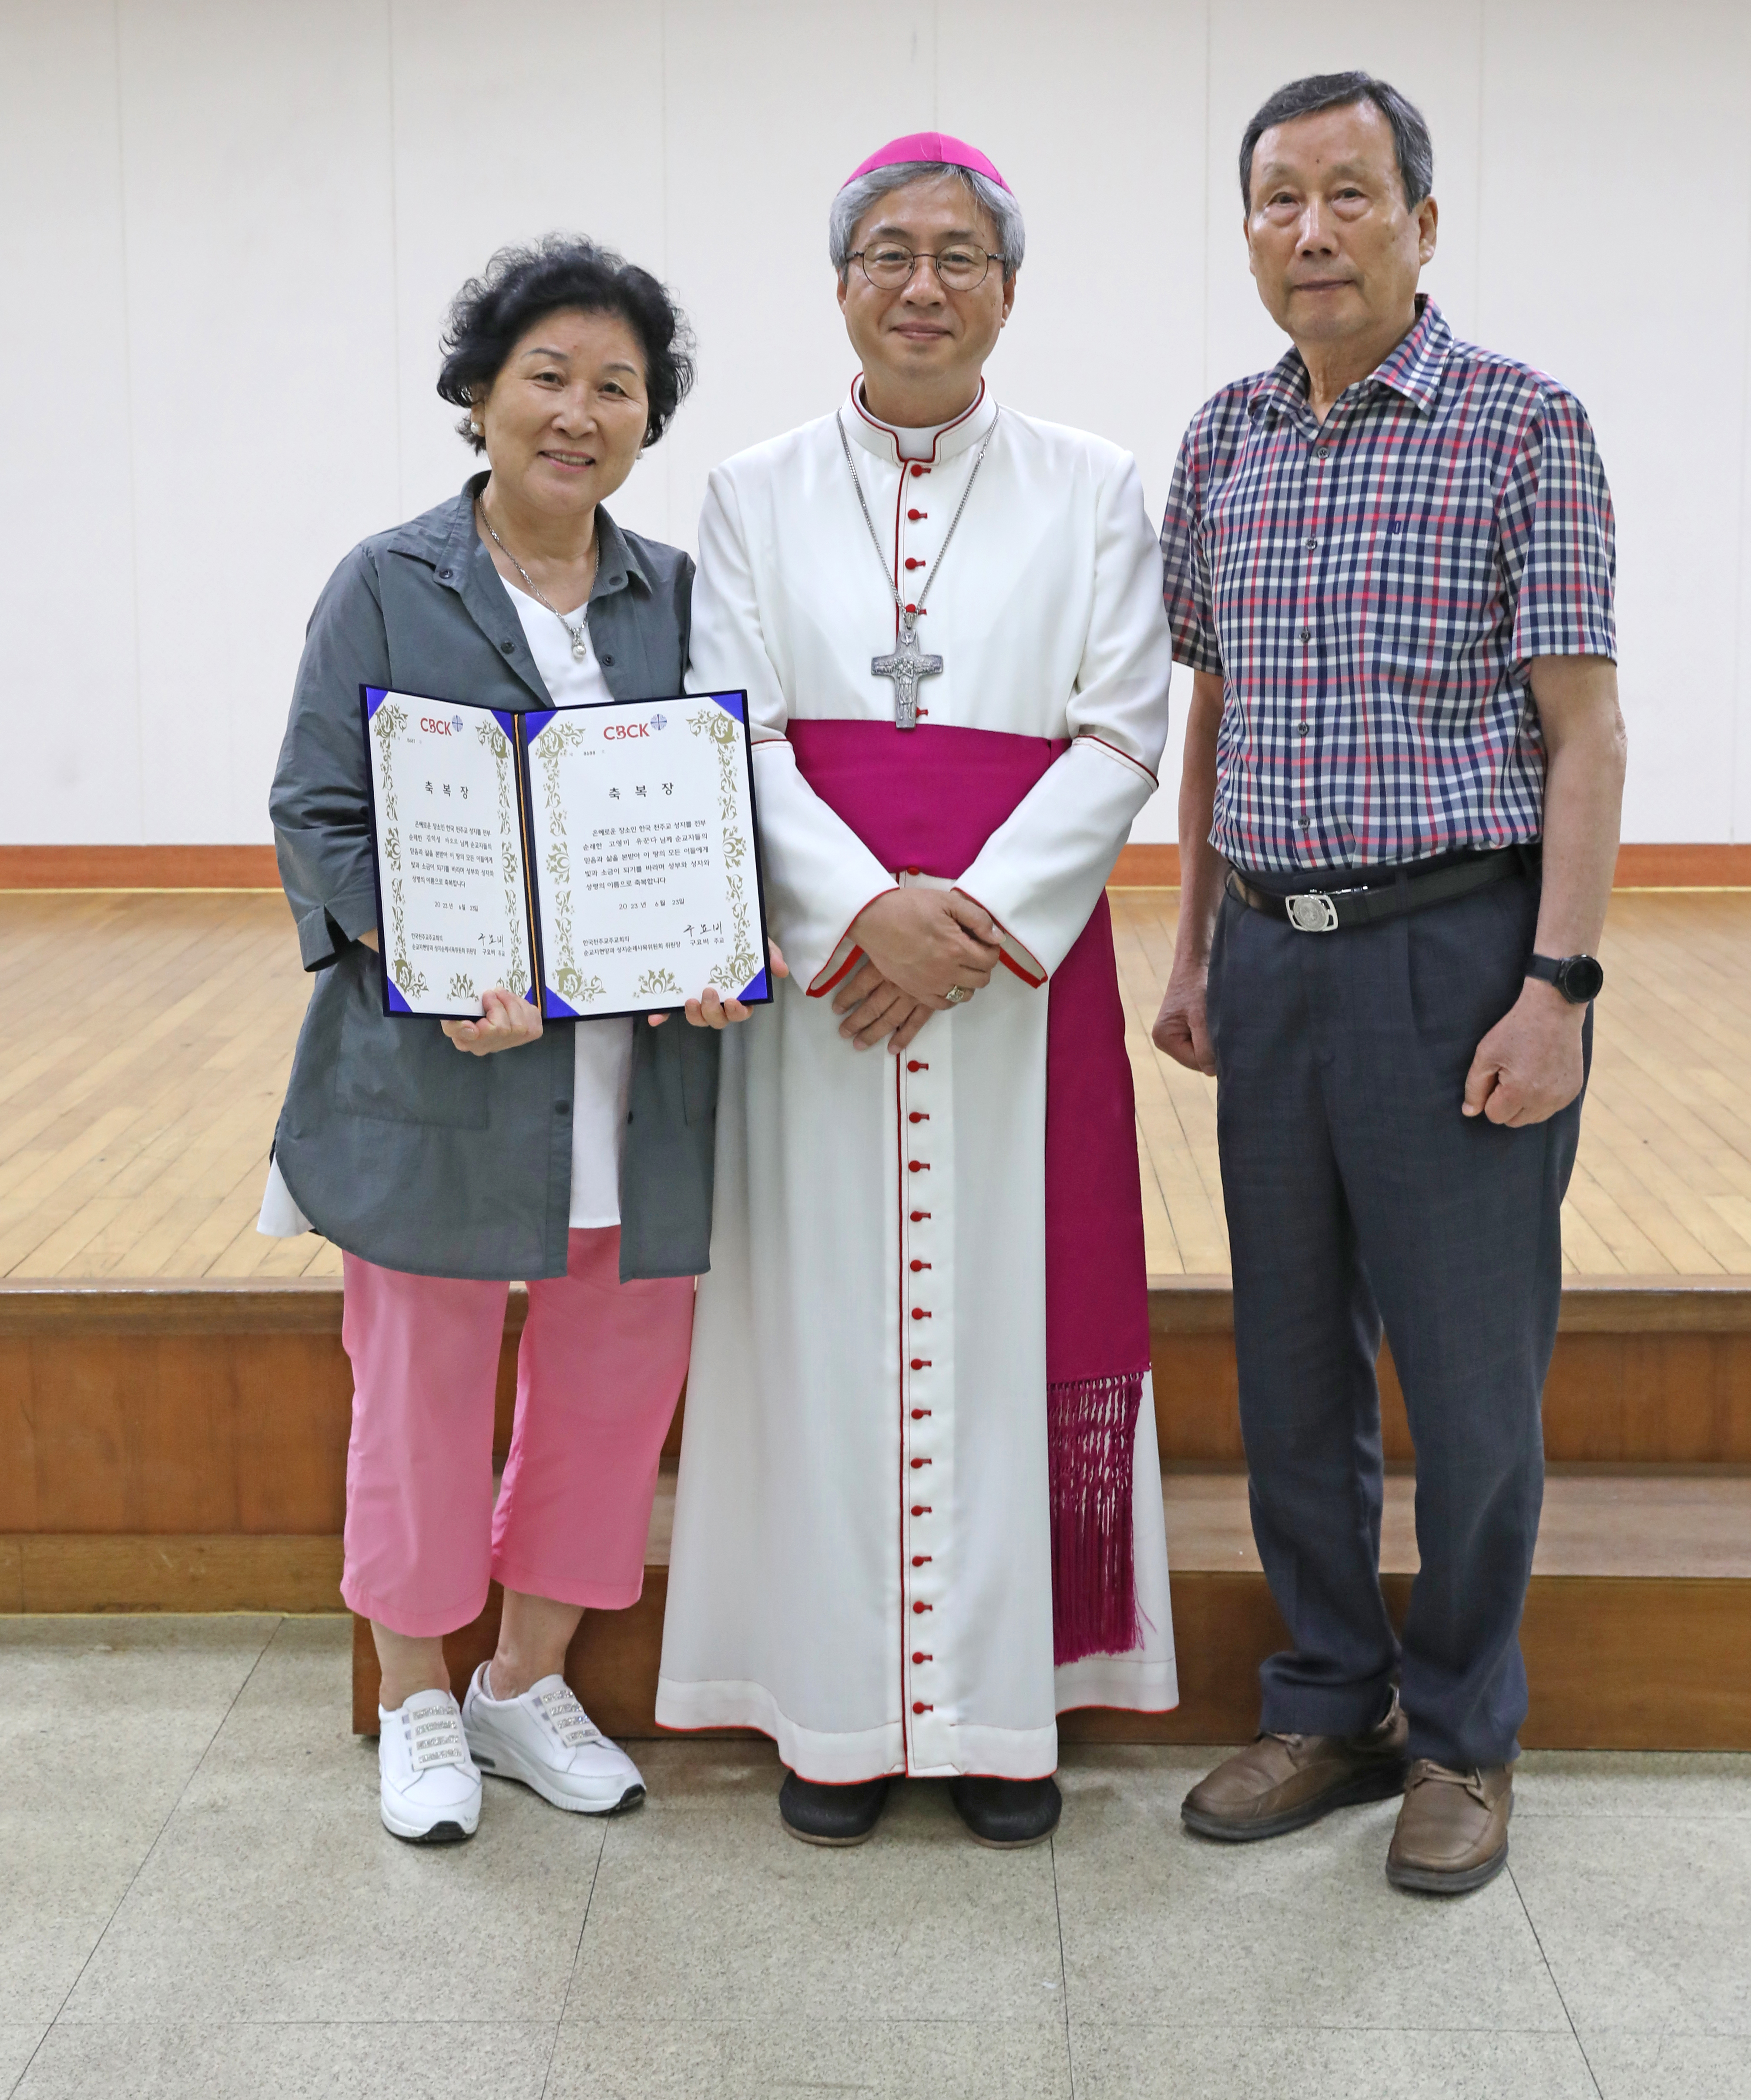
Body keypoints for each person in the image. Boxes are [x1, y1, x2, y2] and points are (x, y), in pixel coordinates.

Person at [655, 131, 1178, 1847]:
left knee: (1013, 1324)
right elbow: (735, 730)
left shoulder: (1095, 485)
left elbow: (1122, 731)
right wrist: (864, 913)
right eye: (890, 252)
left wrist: (972, 924)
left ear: (1008, 291)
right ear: (841, 286)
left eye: (961, 255)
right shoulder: (750, 491)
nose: (924, 285)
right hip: (832, 996)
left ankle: (1001, 1717)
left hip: (1013, 992)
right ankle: (836, 1712)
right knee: (819, 1332)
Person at [1154, 74, 1625, 1894]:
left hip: (1458, 955)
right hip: (1273, 956)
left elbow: (1584, 735)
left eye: (1350, 194)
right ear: (1248, 233)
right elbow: (1214, 711)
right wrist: (1192, 945)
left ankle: (1463, 1733)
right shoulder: (1223, 439)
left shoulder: (1523, 425)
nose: (1313, 231)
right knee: (1292, 1371)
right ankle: (1330, 1698)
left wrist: (1556, 984)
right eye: (1279, 198)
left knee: (1472, 1382)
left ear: (1422, 224)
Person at [264, 235, 777, 1845]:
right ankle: (418, 1694)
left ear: (648, 420)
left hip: (642, 1075)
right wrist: (432, 968)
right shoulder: (386, 582)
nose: (579, 412)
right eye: (547, 376)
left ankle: (524, 1680)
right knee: (417, 1390)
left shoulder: (681, 595)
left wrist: (725, 950)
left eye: (617, 386)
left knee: (611, 1395)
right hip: (445, 1069)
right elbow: (318, 815)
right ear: (480, 395)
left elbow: (736, 803)